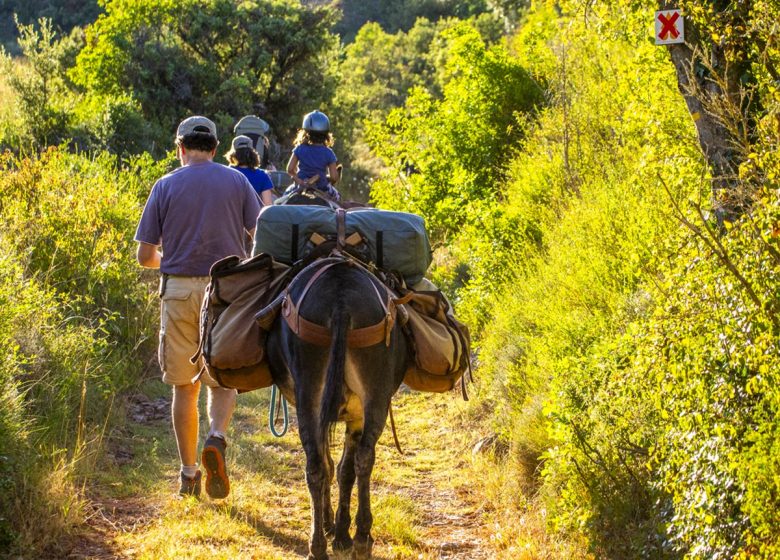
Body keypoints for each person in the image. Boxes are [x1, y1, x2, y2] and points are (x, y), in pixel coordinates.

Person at [134, 116, 261, 499]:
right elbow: (262, 235)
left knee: (183, 386)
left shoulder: (165, 185)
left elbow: (144, 256)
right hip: (226, 290)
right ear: (216, 149)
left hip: (179, 291)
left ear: (180, 149)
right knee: (222, 376)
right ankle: (217, 437)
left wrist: (172, 260)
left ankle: (189, 475)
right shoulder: (237, 181)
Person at [286, 110, 341, 201]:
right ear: (326, 134)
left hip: (301, 186)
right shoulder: (329, 152)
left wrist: (300, 181)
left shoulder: (299, 148)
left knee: (284, 198)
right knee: (338, 198)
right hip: (322, 187)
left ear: (306, 133)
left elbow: (290, 169)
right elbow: (334, 177)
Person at [226, 135, 274, 206]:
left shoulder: (226, 174)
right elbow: (268, 205)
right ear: (252, 153)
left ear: (233, 154)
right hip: (254, 216)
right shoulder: (262, 175)